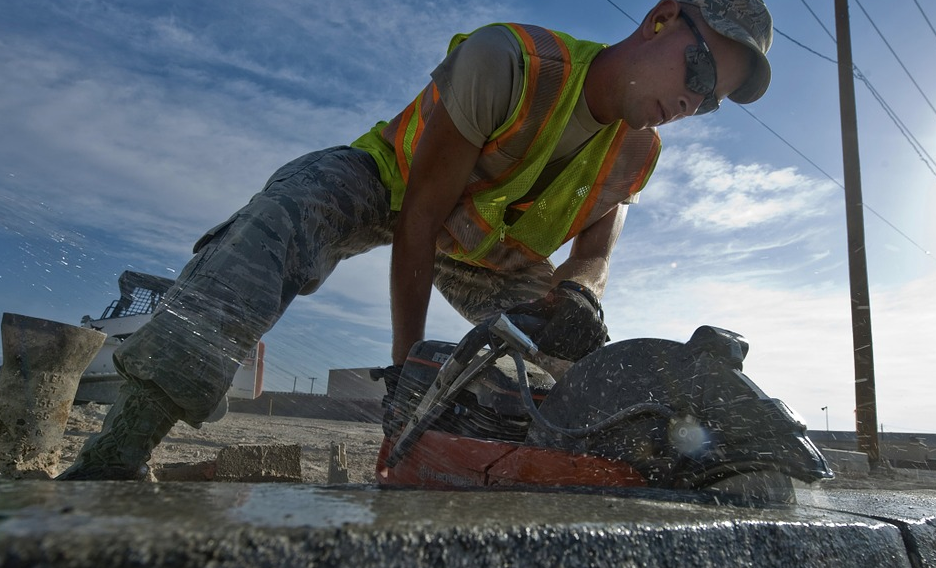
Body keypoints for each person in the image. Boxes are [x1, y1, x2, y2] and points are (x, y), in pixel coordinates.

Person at [58, 0, 773, 480]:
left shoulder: (638, 152)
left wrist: (581, 295)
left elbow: (594, 254)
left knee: (577, 363)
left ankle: (544, 471)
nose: (693, 101)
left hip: (488, 251)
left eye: (710, 101)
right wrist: (405, 374)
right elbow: (420, 218)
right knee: (284, 218)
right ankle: (120, 448)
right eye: (699, 70)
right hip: (391, 187)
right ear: (660, 20)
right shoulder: (513, 61)